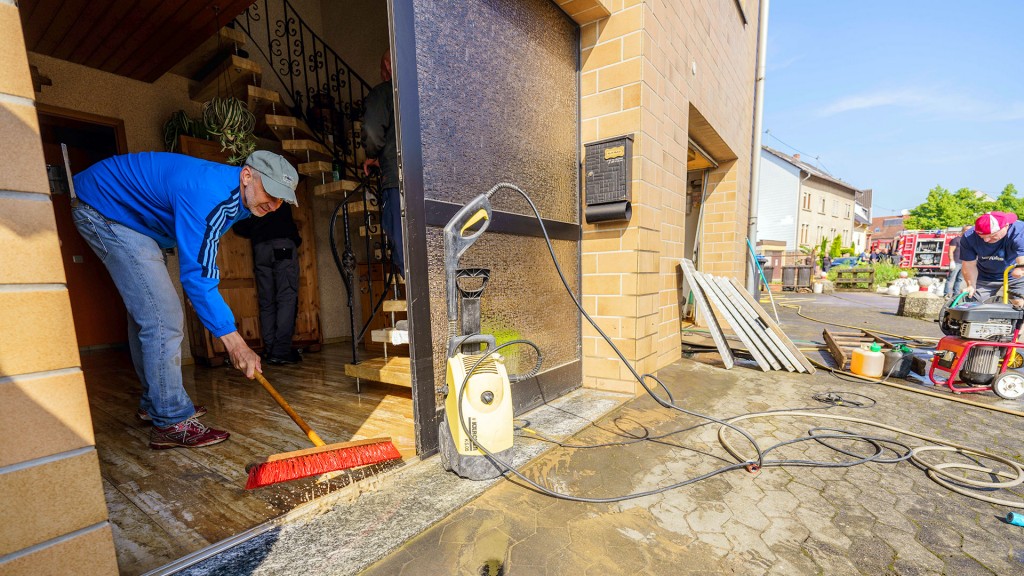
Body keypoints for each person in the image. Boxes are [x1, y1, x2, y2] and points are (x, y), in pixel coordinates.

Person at [72, 151, 299, 449]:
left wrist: (203, 296)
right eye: (270, 193)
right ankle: (170, 420)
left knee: (151, 312)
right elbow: (198, 277)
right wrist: (236, 344)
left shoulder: (239, 198)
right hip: (106, 209)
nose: (274, 206)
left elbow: (204, 255)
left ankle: (155, 403)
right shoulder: (208, 192)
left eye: (281, 199)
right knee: (163, 317)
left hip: (134, 221)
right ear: (247, 176)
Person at [233, 203, 303, 364]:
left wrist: (257, 228)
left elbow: (238, 227)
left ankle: (271, 350)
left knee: (267, 302)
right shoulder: (278, 192)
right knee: (287, 297)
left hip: (260, 248)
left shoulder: (250, 195)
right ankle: (280, 351)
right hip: (282, 244)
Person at [363, 48, 404, 276]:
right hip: (426, 182)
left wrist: (371, 154)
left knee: (398, 237)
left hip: (397, 179)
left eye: (381, 69)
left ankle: (415, 295)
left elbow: (371, 130)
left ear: (388, 66)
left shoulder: (384, 93)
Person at [960, 211, 1024, 305]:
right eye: (982, 237)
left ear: (1006, 226)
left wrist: (1020, 267)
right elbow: (969, 264)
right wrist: (971, 285)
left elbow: (1022, 254)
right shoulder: (969, 236)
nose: (986, 240)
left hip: (1013, 272)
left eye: (992, 236)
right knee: (973, 303)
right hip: (986, 274)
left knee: (1019, 303)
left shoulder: (1019, 231)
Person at [943, 230, 964, 299]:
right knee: (951, 279)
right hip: (956, 262)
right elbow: (950, 250)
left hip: (964, 263)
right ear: (963, 231)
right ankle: (947, 294)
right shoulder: (956, 240)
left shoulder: (969, 241)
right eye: (967, 230)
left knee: (959, 279)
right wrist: (952, 261)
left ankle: (956, 296)